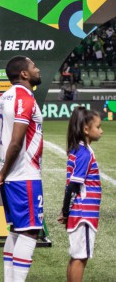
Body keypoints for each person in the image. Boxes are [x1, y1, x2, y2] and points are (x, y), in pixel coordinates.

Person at [0, 56, 44, 282]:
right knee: (30, 231)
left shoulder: (5, 97)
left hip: (11, 176)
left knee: (16, 230)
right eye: (34, 66)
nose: (37, 68)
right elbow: (16, 141)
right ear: (24, 74)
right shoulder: (24, 97)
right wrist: (2, 172)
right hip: (24, 176)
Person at [59, 107, 103, 282]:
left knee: (76, 256)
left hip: (79, 213)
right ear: (86, 129)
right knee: (80, 258)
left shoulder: (79, 150)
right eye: (98, 127)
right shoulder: (84, 153)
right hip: (83, 214)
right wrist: (66, 211)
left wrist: (66, 211)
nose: (101, 130)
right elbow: (74, 186)